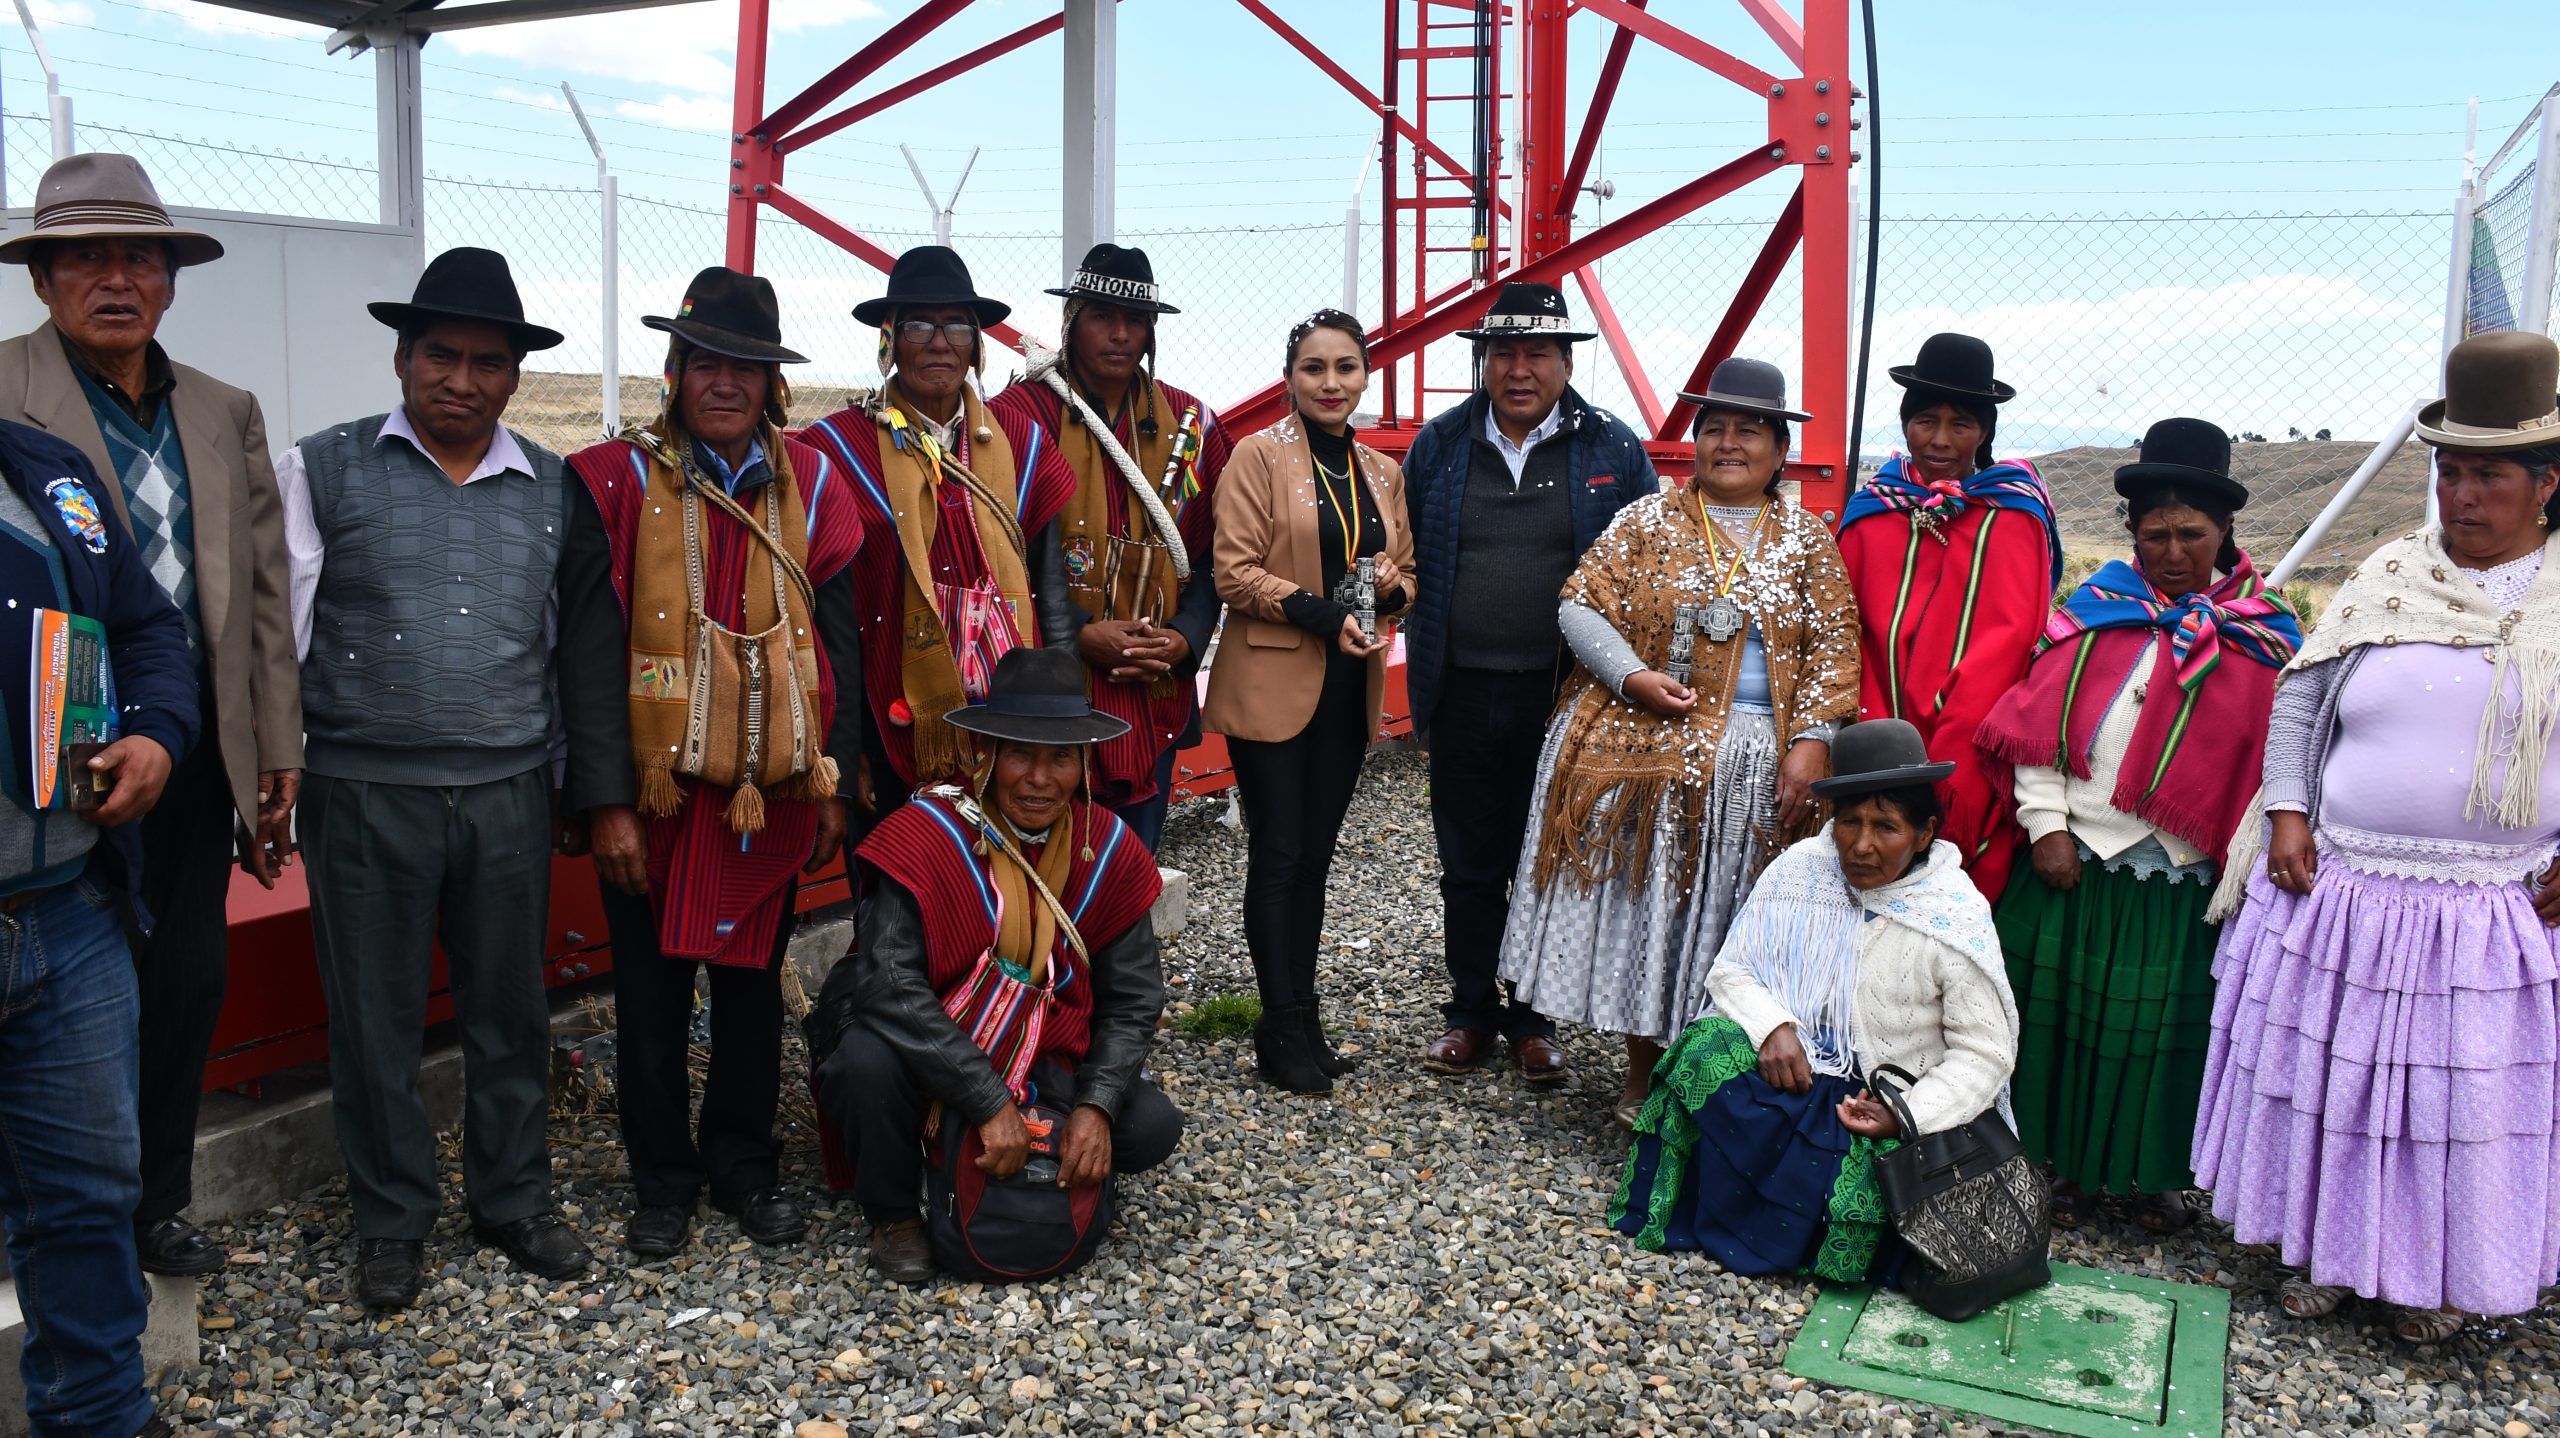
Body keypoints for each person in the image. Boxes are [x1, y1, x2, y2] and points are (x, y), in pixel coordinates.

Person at [2191, 331, 2560, 1343]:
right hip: (2345, 888)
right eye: (2450, 470)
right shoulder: (2391, 576)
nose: (2462, 493)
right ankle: (2327, 1254)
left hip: (2493, 905)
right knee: (2339, 1084)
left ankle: (2437, 1277)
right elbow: (2299, 706)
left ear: (2545, 482)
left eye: (2489, 473)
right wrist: (2286, 810)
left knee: (2455, 1104)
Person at [0, 152, 300, 1279]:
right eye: (86, 256)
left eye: (139, 256)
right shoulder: (3, 394)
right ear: (43, 280)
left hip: (190, 750)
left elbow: (264, 596)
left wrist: (277, 750)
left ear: (170, 278)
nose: (115, 278)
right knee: (54, 992)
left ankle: (151, 1206)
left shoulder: (222, 411)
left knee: (182, 982)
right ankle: (47, 1216)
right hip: (38, 766)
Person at [277, 248, 590, 1306]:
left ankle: (512, 1200)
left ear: (514, 375)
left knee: (511, 1013)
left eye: (486, 362)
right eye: (441, 356)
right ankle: (392, 1218)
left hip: (505, 792)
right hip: (364, 794)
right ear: (403, 358)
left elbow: (562, 649)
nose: (461, 380)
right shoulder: (319, 468)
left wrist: (564, 785)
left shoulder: (555, 487)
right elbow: (283, 634)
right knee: (374, 1019)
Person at [560, 267, 866, 1259]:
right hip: (655, 788)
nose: (724, 383)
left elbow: (836, 643)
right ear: (674, 370)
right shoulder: (612, 479)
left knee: (748, 991)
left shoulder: (814, 486)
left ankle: (742, 1165)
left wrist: (831, 777)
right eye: (705, 363)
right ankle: (662, 1180)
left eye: (746, 366)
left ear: (772, 383)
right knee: (648, 998)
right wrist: (606, 800)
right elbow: (585, 649)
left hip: (767, 787)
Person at [1499, 359, 1858, 1127]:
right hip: (1651, 749)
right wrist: (1630, 677)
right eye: (1715, 429)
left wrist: (1814, 740)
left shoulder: (1806, 539)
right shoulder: (1645, 522)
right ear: (1694, 443)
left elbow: (1835, 648)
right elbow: (1579, 606)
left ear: (1777, 449)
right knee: (1655, 916)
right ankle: (1643, 1080)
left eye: (1749, 430)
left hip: (1761, 761)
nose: (1729, 444)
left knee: (1739, 921)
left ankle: (1722, 1082)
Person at [1976, 418, 2301, 1233]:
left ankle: (2151, 1172)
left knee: (2160, 1033)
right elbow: (2040, 729)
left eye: (2193, 533)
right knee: (2055, 1024)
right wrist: (2044, 823)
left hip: (2181, 875)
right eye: (2156, 534)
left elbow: (2275, 763)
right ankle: (2054, 1162)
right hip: (2075, 857)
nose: (2174, 551)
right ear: (2131, 532)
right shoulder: (2093, 614)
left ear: (2226, 532)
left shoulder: (2265, 637)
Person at [806, 647, 1182, 1285]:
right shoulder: (926, 834)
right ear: (986, 756)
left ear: (1083, 764)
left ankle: (1017, 1157)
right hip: (931, 1054)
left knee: (1147, 1126)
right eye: (1021, 755)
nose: (1040, 779)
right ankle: (895, 1212)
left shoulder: (1108, 849)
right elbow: (890, 985)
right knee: (863, 1067)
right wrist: (986, 1102)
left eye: (1060, 757)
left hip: (1042, 1056)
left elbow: (1133, 999)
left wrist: (1094, 1108)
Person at [1612, 720, 2019, 1277]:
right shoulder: (1800, 870)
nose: (1862, 844)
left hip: (1890, 1100)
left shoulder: (1953, 915)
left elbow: (1986, 1053)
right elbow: (1733, 972)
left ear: (1924, 834)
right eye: (1848, 822)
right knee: (1703, 1048)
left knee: (1871, 1189)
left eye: (1886, 826)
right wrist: (1773, 1026)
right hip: (1801, 1073)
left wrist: (1905, 1114)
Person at [1401, 281, 1659, 1084]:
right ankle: (1471, 1009)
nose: (1519, 370)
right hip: (1464, 687)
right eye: (1503, 353)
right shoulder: (1439, 445)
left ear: (1566, 360)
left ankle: (1534, 1019)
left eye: (1536, 353)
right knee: (1470, 859)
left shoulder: (1612, 448)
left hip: (1568, 697)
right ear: (1483, 361)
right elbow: (1405, 561)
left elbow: (1646, 574)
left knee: (1550, 859)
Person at [0, 416, 199, 1432]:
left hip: (65, 909)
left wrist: (158, 734)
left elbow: (146, 627)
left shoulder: (47, 476)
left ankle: (99, 1416)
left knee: (85, 1197)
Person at [1201, 310, 1413, 1093]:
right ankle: (1278, 1024)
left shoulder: (1383, 472)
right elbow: (1234, 572)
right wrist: (1330, 615)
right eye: (1314, 369)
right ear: (1290, 378)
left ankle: (1305, 1014)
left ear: (1365, 376)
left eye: (1346, 368)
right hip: (1275, 682)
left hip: (1345, 688)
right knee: (1280, 853)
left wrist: (1394, 591)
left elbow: (1409, 572)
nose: (1332, 384)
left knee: (1316, 861)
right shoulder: (1257, 459)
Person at [800, 246, 1080, 799]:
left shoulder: (1023, 445)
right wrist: (842, 746)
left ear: (976, 345)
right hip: (886, 720)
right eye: (919, 325)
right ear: (891, 339)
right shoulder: (835, 451)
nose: (938, 341)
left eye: (957, 326)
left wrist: (1062, 713)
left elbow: (1049, 592)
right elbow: (826, 619)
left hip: (1012, 718)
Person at [991, 244, 1233, 848]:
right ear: (1071, 321)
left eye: (1136, 320)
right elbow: (990, 555)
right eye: (1103, 315)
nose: (1120, 333)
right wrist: (1076, 632)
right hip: (1049, 683)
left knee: (1128, 862)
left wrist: (1186, 637)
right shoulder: (1017, 419)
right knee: (1040, 856)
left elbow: (1213, 555)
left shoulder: (1191, 425)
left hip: (1153, 683)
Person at [1837, 333, 2062, 900]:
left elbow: (2010, 641)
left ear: (1984, 431)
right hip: (1874, 720)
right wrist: (1882, 740)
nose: (1940, 439)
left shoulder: (2014, 516)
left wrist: (1949, 753)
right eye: (1925, 421)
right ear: (1905, 423)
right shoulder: (1872, 511)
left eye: (1961, 424)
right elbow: (1851, 631)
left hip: (1970, 737)